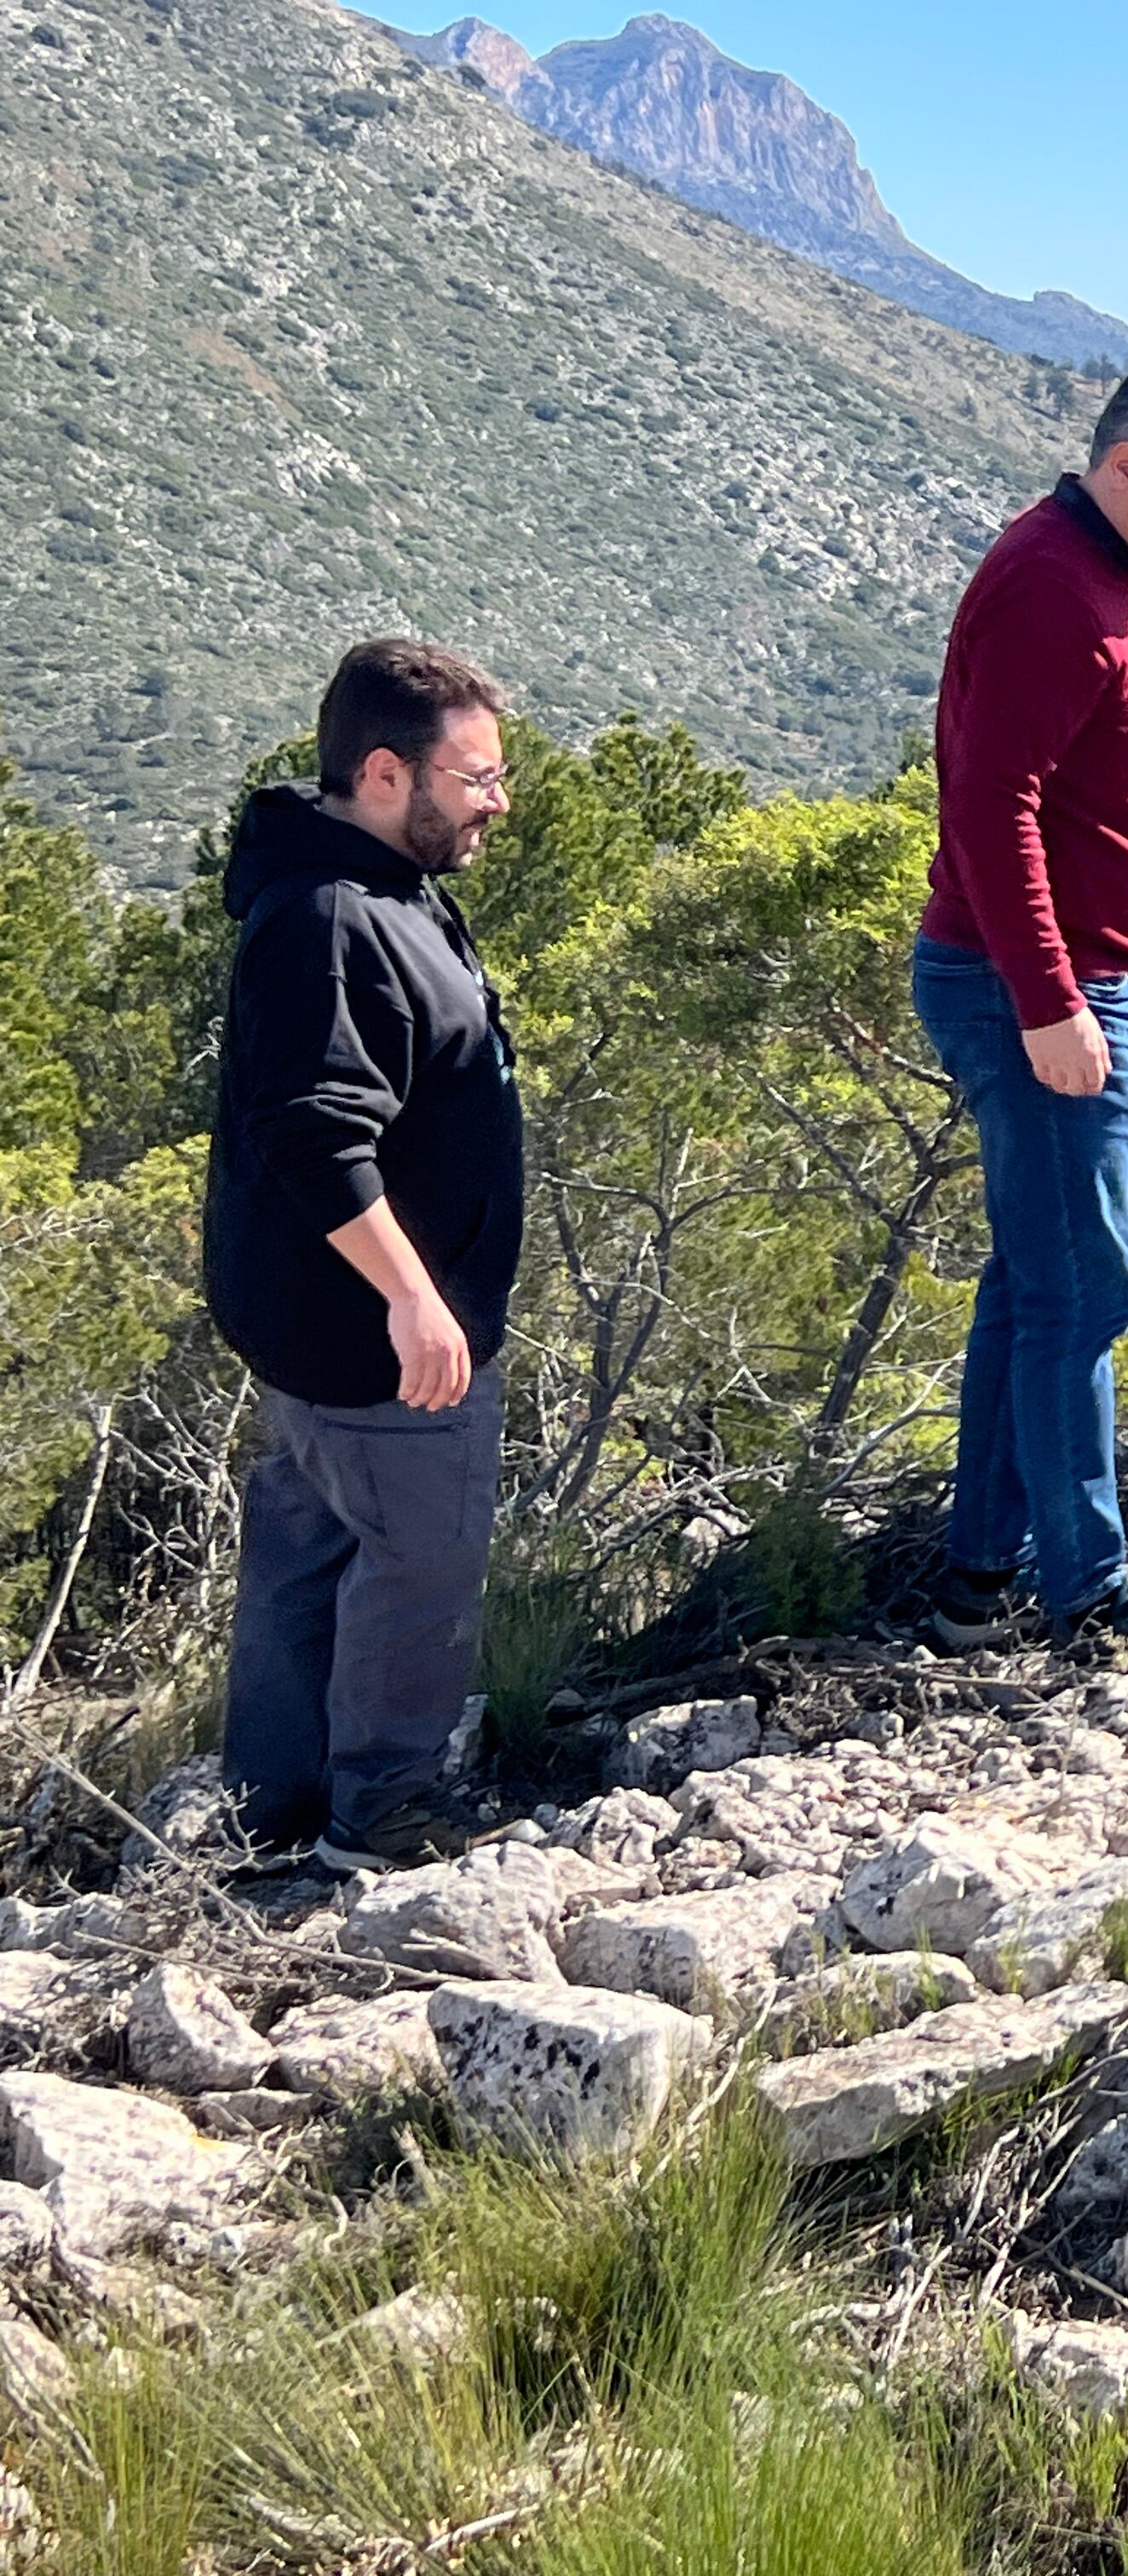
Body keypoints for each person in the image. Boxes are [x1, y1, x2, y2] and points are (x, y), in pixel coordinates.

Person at [912, 354, 1128, 1657]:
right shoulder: (1052, 590)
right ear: (1127, 466)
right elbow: (989, 808)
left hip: (1082, 973)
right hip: (1032, 994)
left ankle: (976, 1579)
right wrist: (1056, 998)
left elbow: (1088, 795)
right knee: (1082, 1296)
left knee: (1034, 1281)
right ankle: (1089, 1597)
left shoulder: (1103, 569)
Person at [207, 639, 525, 1872]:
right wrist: (415, 1299)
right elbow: (317, 1130)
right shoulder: (334, 918)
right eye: (478, 776)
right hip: (371, 1336)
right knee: (419, 1559)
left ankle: (268, 1813)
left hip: (313, 1326)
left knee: (310, 1549)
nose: (497, 800)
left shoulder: (375, 885)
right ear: (388, 775)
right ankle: (380, 1814)